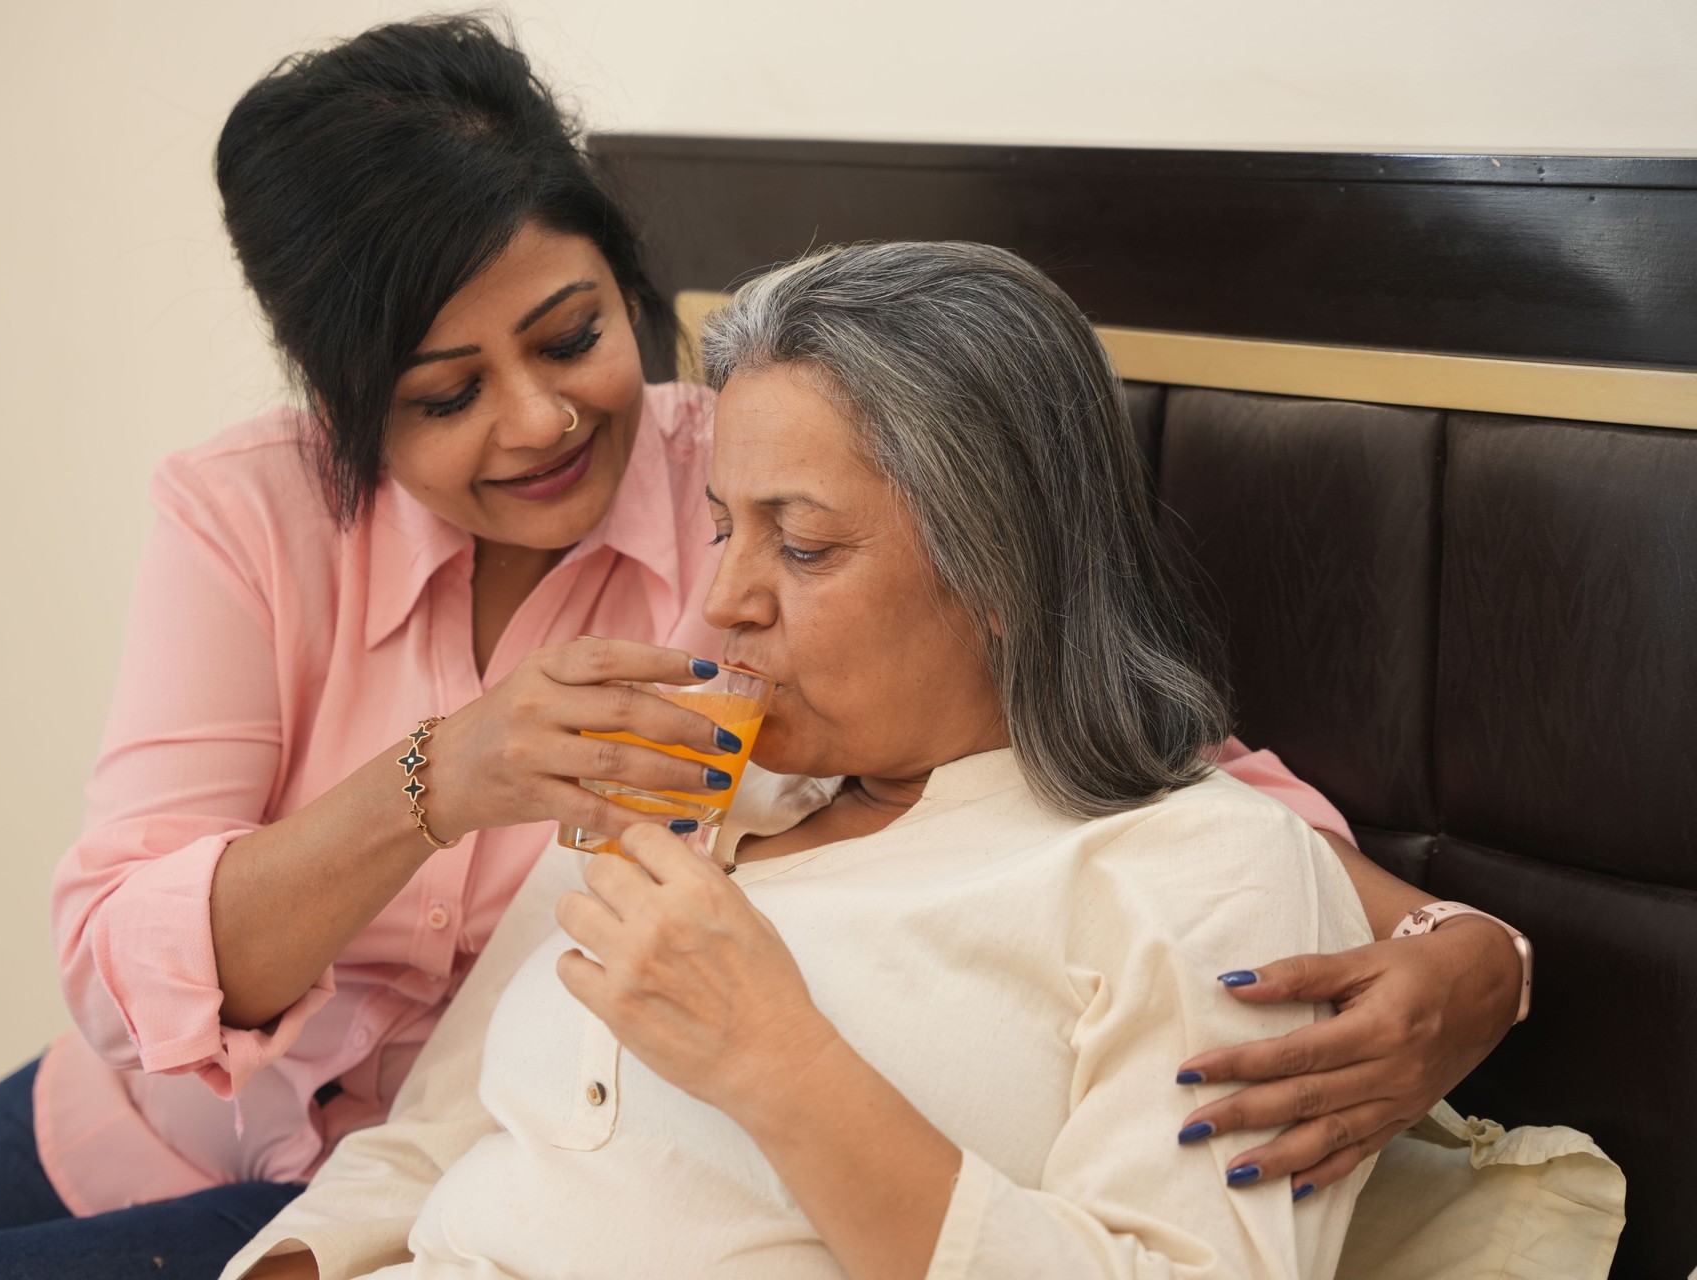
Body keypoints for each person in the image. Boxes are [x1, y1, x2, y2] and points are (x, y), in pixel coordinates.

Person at [0, 21, 1523, 1280]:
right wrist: (441, 784)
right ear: (343, 408)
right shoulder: (256, 523)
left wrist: (1471, 952)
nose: (541, 422)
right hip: (215, 1142)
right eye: (444, 396)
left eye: (573, 336)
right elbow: (136, 971)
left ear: (630, 287)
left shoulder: (753, 452)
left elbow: (1130, 763)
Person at [225, 239, 1375, 1280]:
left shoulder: (1199, 868)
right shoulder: (687, 784)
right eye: (725, 525)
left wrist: (776, 1055)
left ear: (1005, 572)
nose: (724, 599)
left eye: (806, 543)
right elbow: (432, 1134)